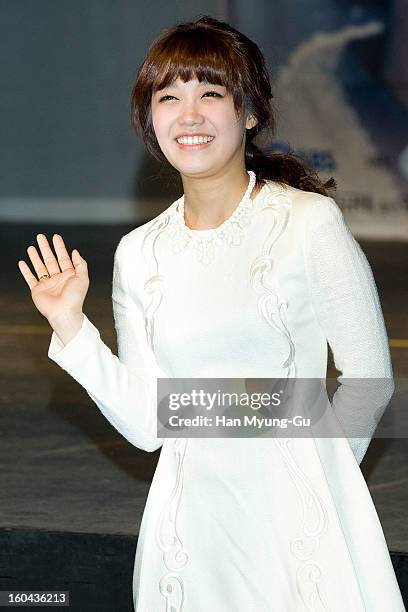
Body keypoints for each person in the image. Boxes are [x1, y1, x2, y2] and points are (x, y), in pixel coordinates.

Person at [18, 15, 405, 612]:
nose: (189, 114)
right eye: (168, 97)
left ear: (248, 112)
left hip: (299, 533)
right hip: (191, 535)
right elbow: (149, 423)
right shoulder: (140, 252)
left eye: (210, 93)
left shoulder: (307, 222)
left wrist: (319, 480)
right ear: (150, 120)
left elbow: (369, 379)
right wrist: (72, 326)